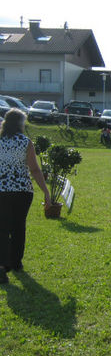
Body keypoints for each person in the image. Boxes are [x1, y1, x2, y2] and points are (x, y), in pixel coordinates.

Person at [0, 109, 52, 282]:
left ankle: (3, 263)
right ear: (20, 124)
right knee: (18, 226)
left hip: (2, 189)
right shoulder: (26, 142)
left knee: (3, 227)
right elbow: (35, 169)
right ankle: (16, 262)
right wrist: (46, 191)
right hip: (22, 190)